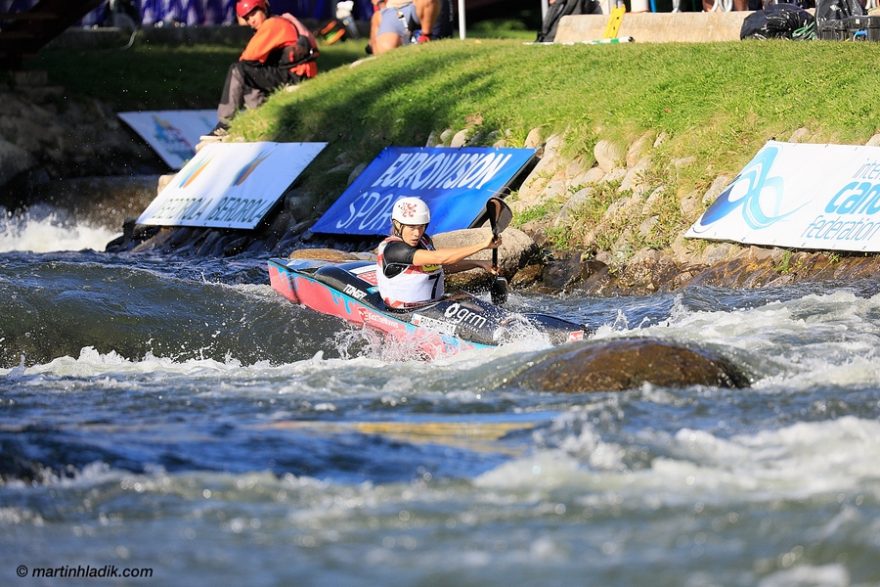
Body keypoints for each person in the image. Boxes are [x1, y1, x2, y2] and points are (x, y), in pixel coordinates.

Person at [204, 0, 319, 138]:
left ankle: (224, 124)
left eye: (253, 14)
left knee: (238, 70)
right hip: (298, 73)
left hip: (295, 75)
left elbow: (247, 58)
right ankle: (258, 117)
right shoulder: (280, 21)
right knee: (251, 72)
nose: (251, 21)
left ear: (264, 9)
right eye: (247, 18)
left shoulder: (271, 24)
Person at [376, 197, 501, 309]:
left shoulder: (424, 241)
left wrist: (478, 263)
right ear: (397, 225)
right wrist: (483, 245)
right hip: (404, 313)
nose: (417, 233)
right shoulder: (394, 250)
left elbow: (440, 266)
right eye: (411, 227)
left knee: (475, 304)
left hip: (433, 306)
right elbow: (441, 258)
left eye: (421, 227)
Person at [369, 0, 443, 56]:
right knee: (386, 52)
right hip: (390, 11)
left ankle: (426, 36)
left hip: (415, 5)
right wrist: (382, 7)